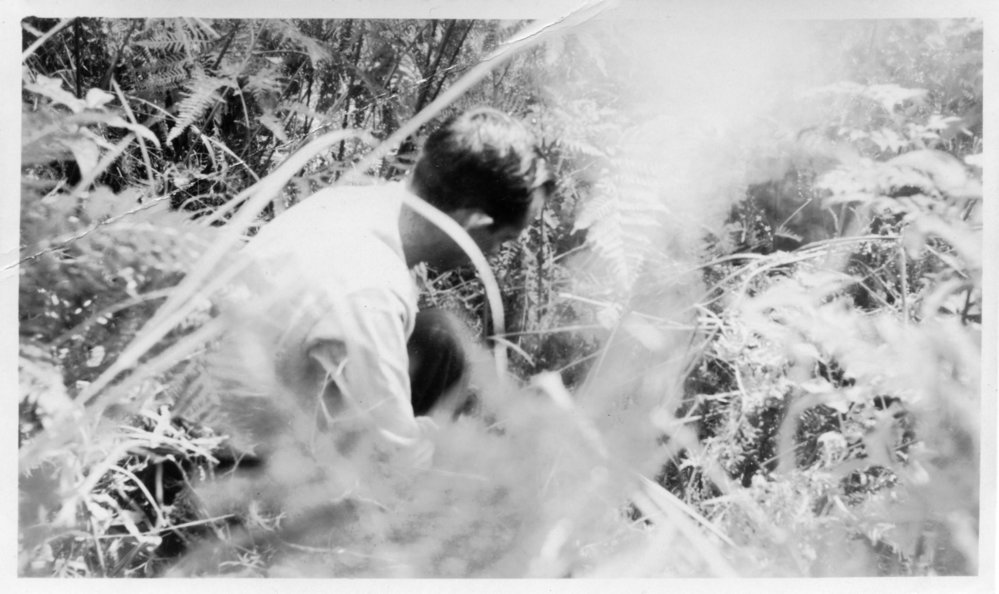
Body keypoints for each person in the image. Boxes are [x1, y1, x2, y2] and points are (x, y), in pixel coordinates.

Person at [193, 107, 554, 467]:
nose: (492, 255)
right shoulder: (372, 288)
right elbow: (397, 459)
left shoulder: (350, 204)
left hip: (234, 390)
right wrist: (442, 438)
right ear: (471, 222)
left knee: (441, 336)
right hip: (237, 457)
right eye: (503, 240)